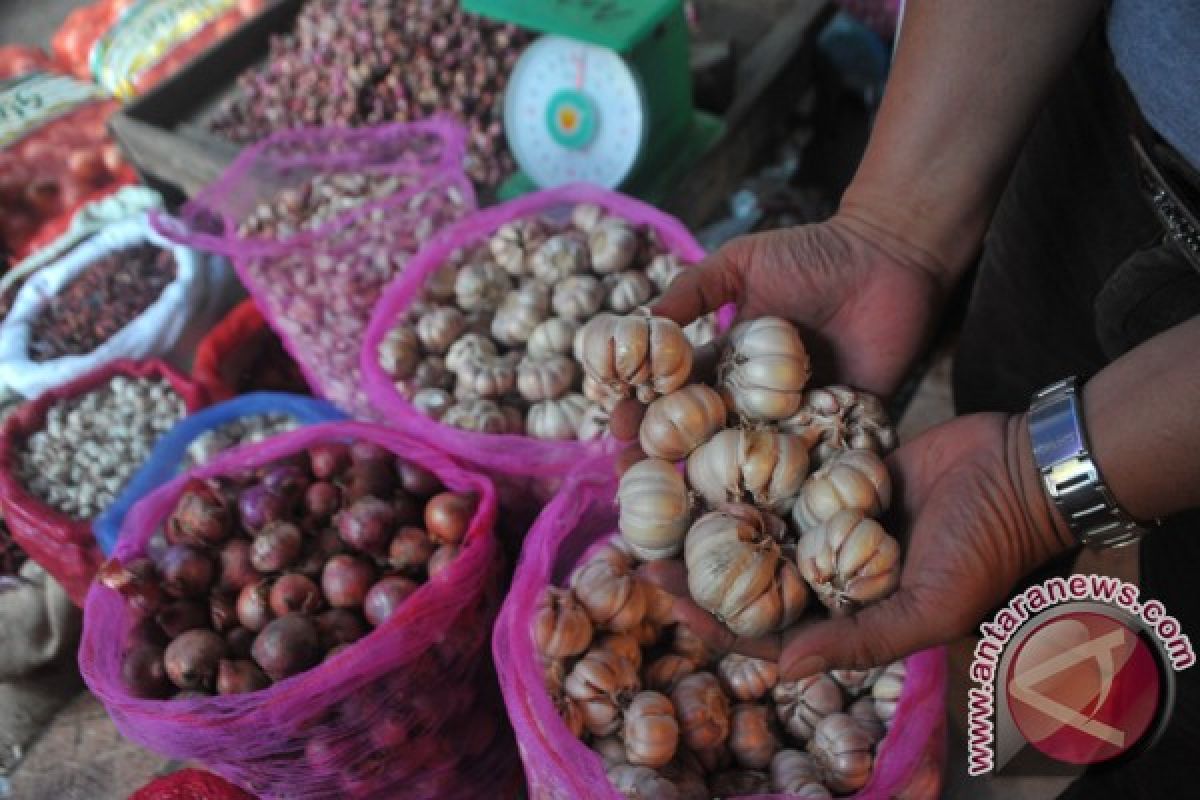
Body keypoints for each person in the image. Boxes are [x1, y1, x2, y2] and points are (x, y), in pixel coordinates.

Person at [611, 2, 1199, 795]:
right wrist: (893, 228)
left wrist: (1032, 492)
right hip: (1111, 109)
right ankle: (991, 698)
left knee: (1182, 709)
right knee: (995, 386)